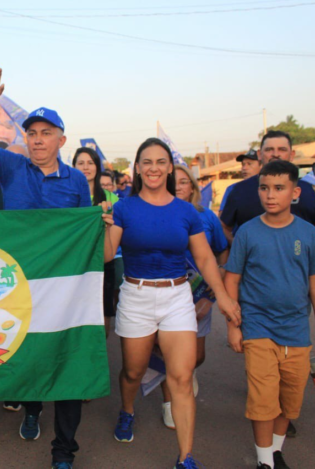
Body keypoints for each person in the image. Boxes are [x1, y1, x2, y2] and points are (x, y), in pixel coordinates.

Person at [0, 68, 91, 469]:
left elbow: (84, 233)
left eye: (46, 133)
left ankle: (64, 449)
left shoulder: (76, 182)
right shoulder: (11, 168)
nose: (37, 139)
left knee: (68, 358)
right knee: (31, 353)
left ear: (61, 140)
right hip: (17, 285)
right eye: (32, 133)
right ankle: (33, 408)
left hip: (65, 288)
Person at [101, 137, 240, 469]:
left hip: (177, 297)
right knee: (133, 371)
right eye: (146, 162)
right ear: (137, 168)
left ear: (170, 167)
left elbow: (205, 257)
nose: (153, 168)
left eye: (160, 161)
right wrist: (102, 226)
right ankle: (128, 410)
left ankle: (186, 458)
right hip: (135, 295)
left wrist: (223, 297)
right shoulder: (123, 207)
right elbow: (107, 254)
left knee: (181, 377)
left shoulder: (185, 211)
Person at [224, 160, 315, 469]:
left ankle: (275, 451)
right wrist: (234, 326)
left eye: (279, 188)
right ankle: (265, 462)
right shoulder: (248, 233)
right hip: (258, 328)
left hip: (297, 332)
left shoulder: (309, 233)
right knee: (263, 400)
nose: (270, 195)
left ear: (295, 193)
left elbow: (313, 283)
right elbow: (232, 280)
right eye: (264, 188)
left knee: (290, 402)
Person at [159, 165, 228, 429]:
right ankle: (169, 404)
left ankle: (189, 371)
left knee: (196, 356)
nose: (178, 186)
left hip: (200, 295)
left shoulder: (207, 217)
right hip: (167, 293)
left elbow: (221, 250)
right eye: (173, 181)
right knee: (168, 353)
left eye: (184, 182)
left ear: (193, 187)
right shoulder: (157, 214)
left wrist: (217, 281)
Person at [220, 131, 315, 245]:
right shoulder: (240, 190)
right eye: (269, 150)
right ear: (259, 154)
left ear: (292, 154)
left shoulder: (308, 190)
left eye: (282, 149)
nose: (275, 154)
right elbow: (223, 227)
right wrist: (241, 247)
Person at [72, 147, 119, 337]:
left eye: (90, 163)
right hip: (74, 262)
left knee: (102, 312)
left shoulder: (112, 199)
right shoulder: (67, 197)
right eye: (80, 163)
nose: (85, 167)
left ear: (97, 167)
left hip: (102, 262)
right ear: (73, 167)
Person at [219, 149, 260, 213]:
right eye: (243, 164)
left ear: (261, 166)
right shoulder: (233, 189)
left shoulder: (268, 188)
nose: (244, 168)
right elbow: (222, 217)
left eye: (249, 164)